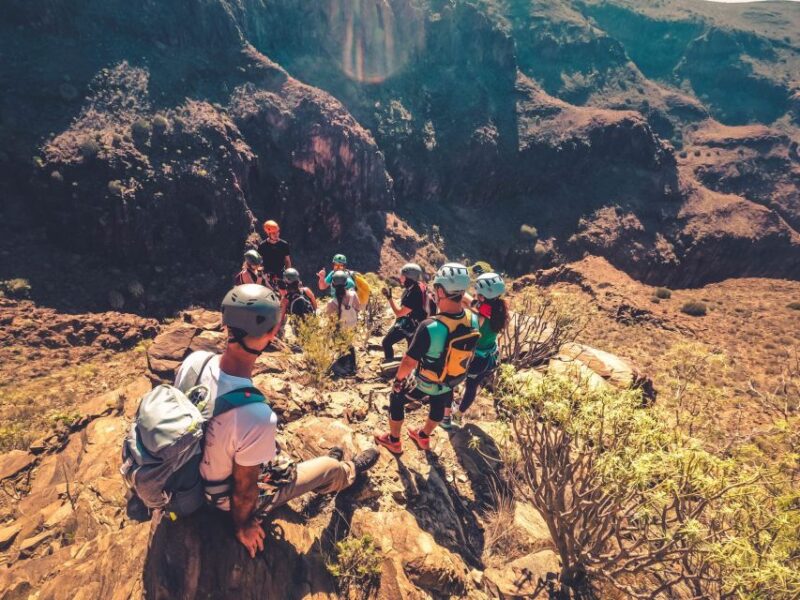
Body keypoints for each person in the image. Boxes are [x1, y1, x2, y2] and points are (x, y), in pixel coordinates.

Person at [173, 284, 378, 558]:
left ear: (225, 325)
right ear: (271, 334)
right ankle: (346, 472)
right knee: (327, 466)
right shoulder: (255, 415)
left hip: (186, 475)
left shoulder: (195, 361)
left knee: (266, 448)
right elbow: (246, 491)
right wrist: (243, 525)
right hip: (218, 498)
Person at [374, 263, 479, 454]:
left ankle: (394, 440)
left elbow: (408, 361)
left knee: (396, 397)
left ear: (440, 291)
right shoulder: (473, 319)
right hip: (451, 379)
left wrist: (398, 380)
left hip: (427, 381)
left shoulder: (430, 326)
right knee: (439, 401)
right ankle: (423, 436)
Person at [441, 272, 507, 429]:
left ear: (483, 297)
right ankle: (458, 416)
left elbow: (472, 317)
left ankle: (445, 418)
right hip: (489, 358)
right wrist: (466, 298)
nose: (475, 295)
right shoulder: (499, 308)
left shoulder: (479, 317)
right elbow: (473, 303)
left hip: (473, 359)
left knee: (449, 382)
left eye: (478, 292)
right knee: (472, 387)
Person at [381, 263, 427, 362]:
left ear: (408, 278)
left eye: (402, 276)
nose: (400, 278)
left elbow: (399, 313)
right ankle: (409, 368)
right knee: (411, 351)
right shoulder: (417, 286)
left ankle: (389, 365)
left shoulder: (414, 293)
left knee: (386, 343)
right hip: (416, 324)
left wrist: (389, 298)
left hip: (409, 324)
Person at [324, 270, 361, 375]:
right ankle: (353, 366)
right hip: (352, 326)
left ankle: (344, 367)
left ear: (333, 285)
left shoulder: (331, 304)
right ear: (346, 283)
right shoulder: (353, 295)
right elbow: (358, 309)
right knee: (350, 345)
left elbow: (331, 321)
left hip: (340, 330)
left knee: (341, 346)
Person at [257, 220, 292, 286]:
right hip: (266, 277)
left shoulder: (284, 244)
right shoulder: (262, 246)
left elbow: (287, 261)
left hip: (280, 276)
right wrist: (262, 276)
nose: (276, 234)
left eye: (277, 232)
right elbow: (259, 263)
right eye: (273, 233)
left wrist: (288, 276)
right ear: (268, 234)